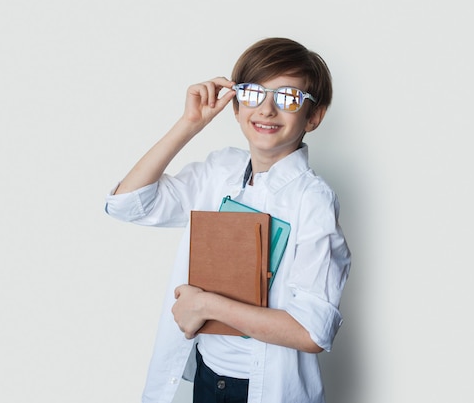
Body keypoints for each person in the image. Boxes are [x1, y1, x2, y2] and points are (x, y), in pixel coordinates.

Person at [104, 37, 351, 403]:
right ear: (236, 105)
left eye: (288, 98)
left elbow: (311, 332)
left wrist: (206, 305)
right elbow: (128, 203)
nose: (267, 109)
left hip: (261, 388)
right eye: (253, 93)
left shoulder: (311, 200)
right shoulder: (220, 171)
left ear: (313, 116)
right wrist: (189, 124)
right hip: (207, 376)